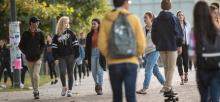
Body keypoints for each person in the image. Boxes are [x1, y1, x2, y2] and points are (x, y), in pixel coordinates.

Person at [98, 0, 146, 101]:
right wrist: (134, 54)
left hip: (114, 63)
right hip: (131, 62)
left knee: (117, 96)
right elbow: (141, 43)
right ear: (125, 3)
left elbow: (102, 44)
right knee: (131, 95)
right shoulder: (133, 18)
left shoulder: (106, 20)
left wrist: (111, 55)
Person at [189, 1, 220, 102]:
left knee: (204, 98)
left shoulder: (194, 32)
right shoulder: (217, 29)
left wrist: (198, 64)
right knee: (215, 98)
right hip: (217, 68)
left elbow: (192, 54)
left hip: (202, 69)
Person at [151, 0, 183, 94]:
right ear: (170, 6)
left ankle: (169, 87)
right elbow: (179, 33)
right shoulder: (174, 18)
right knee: (171, 67)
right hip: (172, 46)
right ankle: (167, 86)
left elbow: (153, 34)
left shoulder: (156, 20)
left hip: (161, 46)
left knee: (166, 67)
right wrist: (179, 45)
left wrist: (157, 43)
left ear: (161, 6)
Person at [136, 11, 165, 94]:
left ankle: (145, 88)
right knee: (155, 71)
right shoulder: (143, 28)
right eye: (144, 17)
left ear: (151, 18)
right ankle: (166, 85)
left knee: (148, 69)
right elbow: (141, 41)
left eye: (146, 17)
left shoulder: (156, 28)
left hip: (154, 51)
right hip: (147, 52)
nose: (144, 19)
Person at [19, 16, 45, 99]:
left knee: (35, 75)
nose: (37, 23)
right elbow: (20, 46)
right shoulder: (25, 33)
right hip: (29, 59)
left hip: (37, 58)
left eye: (38, 22)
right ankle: (35, 91)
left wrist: (40, 52)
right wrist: (26, 53)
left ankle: (36, 91)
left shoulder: (40, 33)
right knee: (31, 77)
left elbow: (43, 44)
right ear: (31, 23)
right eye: (36, 22)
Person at [52, 16, 79, 97]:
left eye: (68, 22)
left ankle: (70, 90)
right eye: (65, 22)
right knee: (62, 72)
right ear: (61, 23)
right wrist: (55, 58)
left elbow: (76, 44)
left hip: (71, 56)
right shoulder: (56, 36)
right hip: (61, 57)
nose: (67, 24)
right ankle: (64, 87)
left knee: (70, 73)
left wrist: (76, 55)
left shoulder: (71, 33)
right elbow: (54, 48)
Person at [85, 18, 106, 95]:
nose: (93, 25)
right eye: (92, 24)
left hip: (101, 53)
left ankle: (100, 87)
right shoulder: (89, 35)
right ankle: (97, 84)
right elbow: (87, 47)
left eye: (95, 24)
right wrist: (86, 58)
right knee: (94, 71)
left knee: (100, 71)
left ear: (99, 24)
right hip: (92, 53)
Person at [176, 11, 191, 85]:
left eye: (182, 15)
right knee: (179, 62)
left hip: (186, 45)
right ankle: (181, 78)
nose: (180, 16)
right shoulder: (175, 25)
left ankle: (186, 74)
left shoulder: (187, 24)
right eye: (179, 15)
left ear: (184, 16)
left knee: (185, 61)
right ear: (177, 16)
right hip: (178, 46)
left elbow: (190, 35)